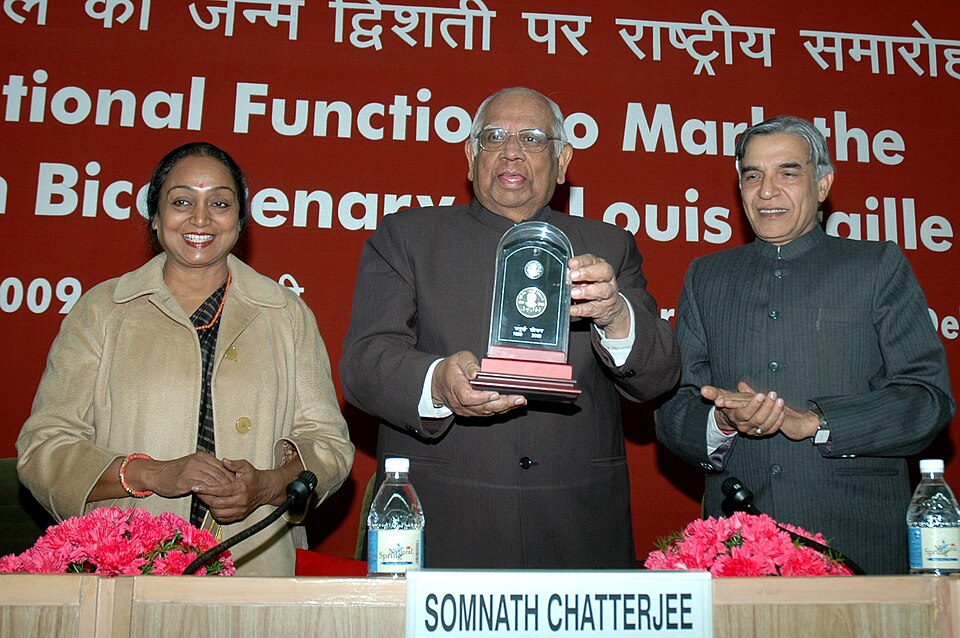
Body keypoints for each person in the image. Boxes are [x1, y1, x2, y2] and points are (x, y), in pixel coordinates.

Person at [340, 87, 680, 568]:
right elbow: (364, 363)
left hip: (577, 522)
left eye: (534, 138)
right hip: (448, 516)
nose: (511, 150)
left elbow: (658, 377)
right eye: (494, 136)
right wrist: (437, 382)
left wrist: (616, 315)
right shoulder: (408, 237)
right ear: (470, 155)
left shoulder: (610, 246)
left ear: (562, 161)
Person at [16, 142, 355, 576]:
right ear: (155, 218)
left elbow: (329, 446)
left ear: (241, 221)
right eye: (181, 202)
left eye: (219, 202)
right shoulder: (103, 310)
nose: (200, 219)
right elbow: (43, 448)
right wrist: (150, 474)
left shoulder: (285, 315)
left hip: (255, 566)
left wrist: (267, 485)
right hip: (126, 566)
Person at [655, 116, 955, 575]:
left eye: (787, 173)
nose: (767, 190)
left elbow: (927, 400)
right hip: (738, 545)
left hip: (856, 537)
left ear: (823, 184)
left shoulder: (876, 267)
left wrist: (815, 421)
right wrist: (719, 420)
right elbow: (675, 408)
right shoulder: (706, 276)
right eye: (752, 175)